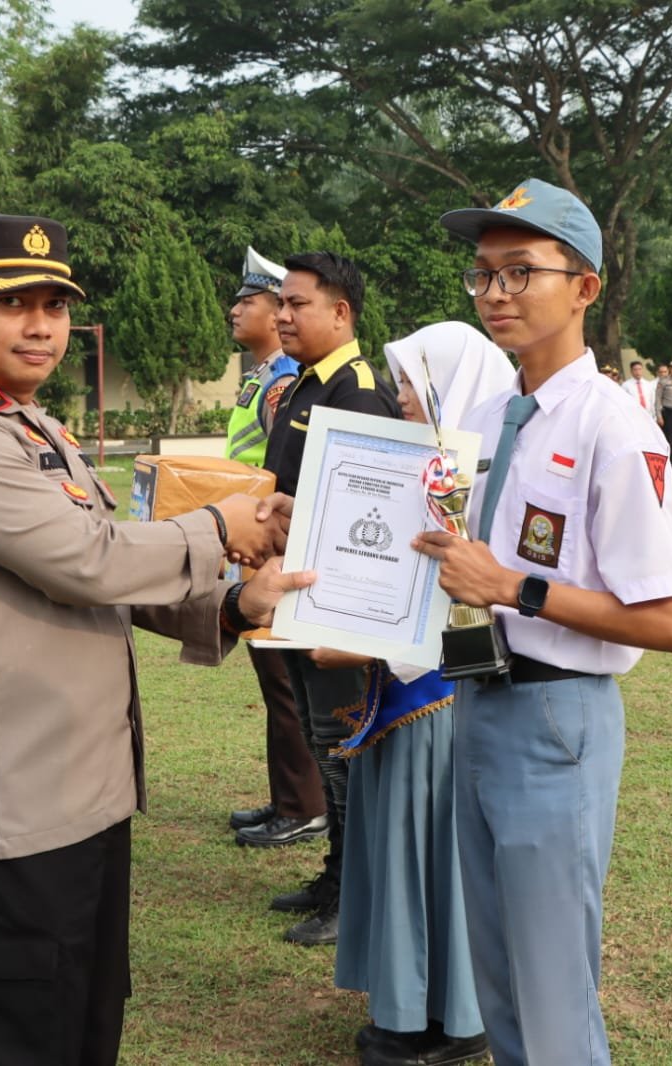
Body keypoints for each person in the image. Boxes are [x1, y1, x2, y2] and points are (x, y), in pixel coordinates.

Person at [0, 213, 293, 1066]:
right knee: (25, 1031)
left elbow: (106, 585)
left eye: (55, 305)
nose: (40, 325)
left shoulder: (33, 426)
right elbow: (88, 561)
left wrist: (232, 605)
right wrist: (221, 526)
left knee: (81, 1016)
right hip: (15, 796)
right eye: (12, 302)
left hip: (81, 787)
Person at [417, 177, 672, 1066]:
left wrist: (513, 588)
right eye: (483, 276)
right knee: (496, 972)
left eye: (520, 272)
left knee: (550, 984)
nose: (496, 294)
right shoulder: (499, 416)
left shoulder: (617, 429)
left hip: (557, 716)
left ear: (585, 287)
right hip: (480, 701)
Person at [312, 321, 509, 1066]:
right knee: (400, 852)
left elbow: (474, 606)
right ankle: (405, 1004)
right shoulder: (421, 469)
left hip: (440, 696)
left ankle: (454, 1019)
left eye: (409, 382)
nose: (396, 396)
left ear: (451, 387)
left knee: (436, 858)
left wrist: (366, 641)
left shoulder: (485, 476)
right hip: (396, 690)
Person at [259, 251, 403, 945]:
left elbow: (370, 514)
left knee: (343, 747)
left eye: (297, 304)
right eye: (279, 304)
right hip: (295, 590)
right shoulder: (304, 387)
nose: (281, 315)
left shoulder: (359, 389)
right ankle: (335, 874)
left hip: (336, 599)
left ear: (340, 312)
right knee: (321, 745)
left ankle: (355, 896)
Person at [223, 247, 330, 848]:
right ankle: (288, 797)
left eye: (251, 300)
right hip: (254, 543)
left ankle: (303, 805)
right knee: (273, 678)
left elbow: (280, 474)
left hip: (273, 543)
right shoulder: (263, 377)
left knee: (285, 681)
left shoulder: (282, 382)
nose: (237, 310)